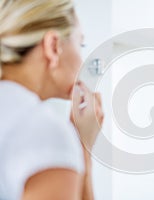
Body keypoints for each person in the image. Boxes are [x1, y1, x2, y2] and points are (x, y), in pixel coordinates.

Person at [0, 0, 103, 199]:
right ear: (53, 46)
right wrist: (82, 147)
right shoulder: (43, 130)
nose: (82, 62)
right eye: (80, 44)